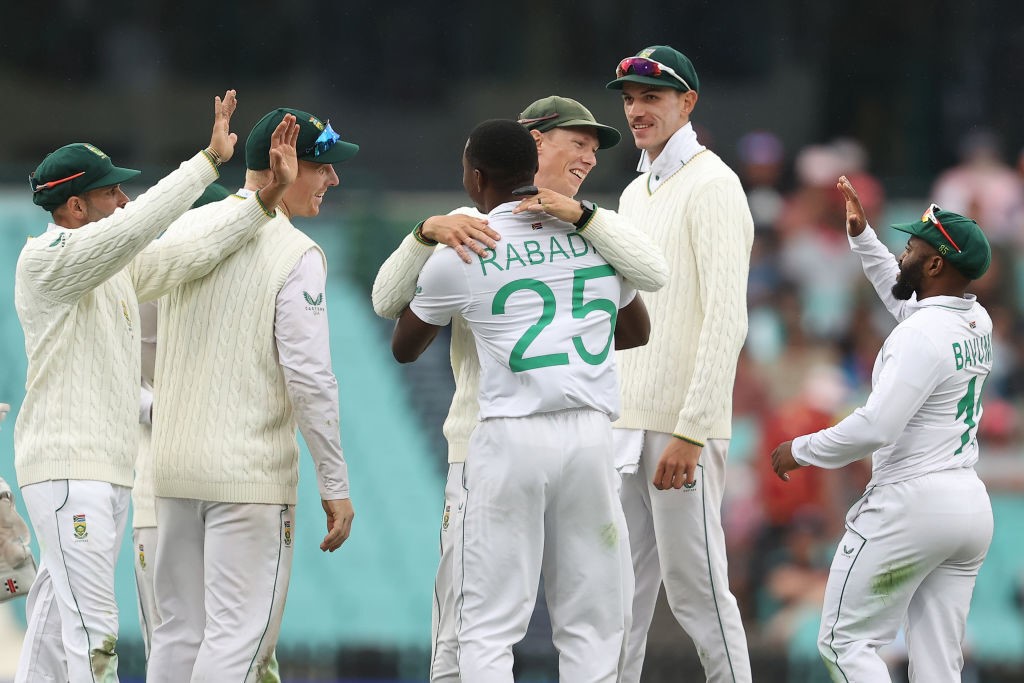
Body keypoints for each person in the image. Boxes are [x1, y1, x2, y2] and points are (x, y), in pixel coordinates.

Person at [371, 96, 669, 682]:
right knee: (592, 623)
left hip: (507, 435)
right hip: (589, 434)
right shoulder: (596, 233)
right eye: (577, 141)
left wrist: (431, 242)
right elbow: (635, 331)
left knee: (487, 625)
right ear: (532, 155)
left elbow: (403, 344)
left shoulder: (466, 242)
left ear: (475, 175)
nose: (587, 153)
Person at [14, 90, 297, 683]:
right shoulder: (46, 261)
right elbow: (142, 227)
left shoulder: (111, 266)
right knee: (95, 636)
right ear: (71, 209)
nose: (123, 200)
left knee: (50, 629)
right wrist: (207, 161)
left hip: (102, 472)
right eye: (109, 191)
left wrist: (262, 201)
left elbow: (188, 251)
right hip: (71, 470)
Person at [144, 107, 358, 682]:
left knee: (178, 633)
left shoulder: (186, 227)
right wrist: (334, 484)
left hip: (172, 469)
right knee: (239, 642)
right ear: (283, 164)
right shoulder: (296, 253)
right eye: (323, 167)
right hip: (249, 480)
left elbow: (140, 331)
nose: (333, 180)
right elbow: (310, 378)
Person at [771, 176, 995, 681]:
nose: (903, 252)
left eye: (913, 246)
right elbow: (906, 302)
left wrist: (800, 450)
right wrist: (862, 238)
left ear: (937, 264)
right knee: (940, 664)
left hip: (911, 503)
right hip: (966, 506)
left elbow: (876, 427)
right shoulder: (975, 319)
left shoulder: (920, 336)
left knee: (842, 643)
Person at [606, 45, 754, 682]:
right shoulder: (635, 191)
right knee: (617, 597)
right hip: (627, 422)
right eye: (631, 99)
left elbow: (728, 317)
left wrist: (692, 431)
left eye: (652, 98)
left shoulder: (715, 185)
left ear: (687, 103)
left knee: (696, 590)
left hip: (679, 428)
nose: (637, 111)